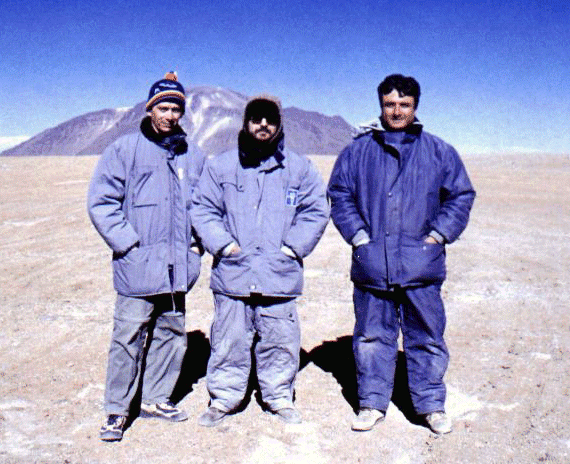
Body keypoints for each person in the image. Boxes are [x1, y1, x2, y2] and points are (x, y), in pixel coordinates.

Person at [327, 74, 475, 434]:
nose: (396, 111)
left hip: (420, 265)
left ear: (415, 107)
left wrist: (438, 235)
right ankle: (371, 403)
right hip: (372, 265)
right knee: (372, 337)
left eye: (404, 104)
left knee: (426, 337)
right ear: (380, 105)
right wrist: (359, 237)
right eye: (390, 104)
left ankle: (430, 406)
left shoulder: (439, 151)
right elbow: (340, 194)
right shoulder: (358, 151)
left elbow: (460, 195)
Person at [191, 94, 329, 427]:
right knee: (229, 340)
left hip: (278, 274)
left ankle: (278, 397)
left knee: (280, 340)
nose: (263, 124)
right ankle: (224, 398)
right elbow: (203, 209)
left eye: (270, 118)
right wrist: (224, 246)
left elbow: (316, 209)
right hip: (234, 273)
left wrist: (292, 248)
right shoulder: (221, 166)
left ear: (279, 124)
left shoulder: (299, 168)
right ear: (246, 123)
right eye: (256, 118)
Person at [87, 72, 206, 442]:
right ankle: (116, 410)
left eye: (176, 109)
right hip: (138, 265)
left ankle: (156, 399)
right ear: (150, 108)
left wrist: (196, 247)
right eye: (163, 108)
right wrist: (127, 244)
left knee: (172, 333)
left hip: (176, 267)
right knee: (128, 337)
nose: (169, 115)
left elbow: (205, 205)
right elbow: (101, 202)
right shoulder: (125, 150)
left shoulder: (193, 154)